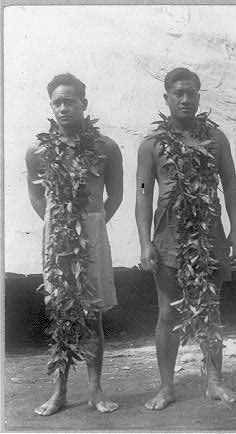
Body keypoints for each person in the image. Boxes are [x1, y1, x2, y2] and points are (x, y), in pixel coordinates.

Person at [135, 67, 236, 410]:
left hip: (209, 232)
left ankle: (214, 382)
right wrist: (144, 243)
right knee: (168, 312)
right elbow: (142, 194)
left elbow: (231, 186)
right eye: (178, 94)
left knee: (211, 307)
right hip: (168, 234)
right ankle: (167, 387)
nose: (185, 100)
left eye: (191, 94)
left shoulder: (216, 138)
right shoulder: (151, 144)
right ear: (166, 97)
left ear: (199, 97)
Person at [26, 73, 123, 415]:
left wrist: (92, 225)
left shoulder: (106, 147)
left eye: (70, 101)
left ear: (84, 103)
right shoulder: (37, 150)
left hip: (93, 236)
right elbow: (37, 196)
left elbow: (118, 195)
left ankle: (96, 390)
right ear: (51, 106)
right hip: (58, 238)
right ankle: (60, 392)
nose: (64, 108)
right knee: (62, 313)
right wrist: (58, 225)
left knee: (92, 313)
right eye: (57, 102)